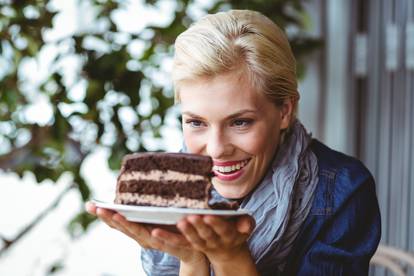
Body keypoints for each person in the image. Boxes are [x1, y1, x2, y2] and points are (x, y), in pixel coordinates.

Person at [86, 9, 381, 275]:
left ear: (284, 111)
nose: (216, 150)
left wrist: (231, 259)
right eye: (196, 123)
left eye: (240, 122)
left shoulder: (343, 192)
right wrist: (191, 260)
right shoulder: (170, 193)